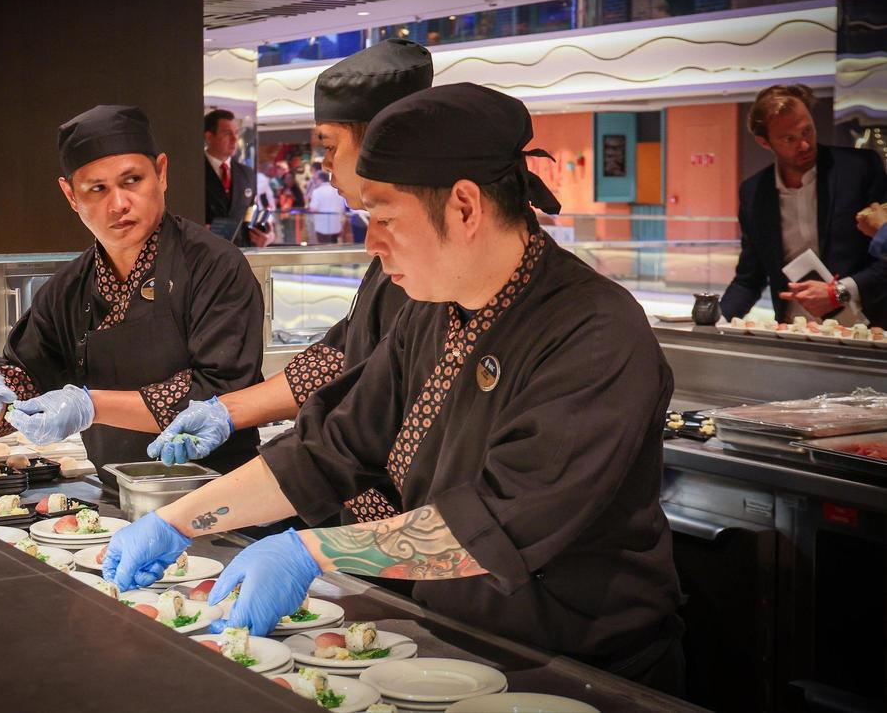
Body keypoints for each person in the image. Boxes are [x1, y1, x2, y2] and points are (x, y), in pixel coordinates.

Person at [104, 84, 684, 693]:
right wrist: (178, 522)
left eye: (383, 218)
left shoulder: (594, 332)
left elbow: (495, 525)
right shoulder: (430, 311)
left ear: (464, 207)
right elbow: (330, 450)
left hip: (581, 668)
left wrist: (314, 554)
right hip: (454, 642)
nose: (371, 245)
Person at [144, 40, 432, 532]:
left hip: (407, 531)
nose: (323, 164)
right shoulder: (395, 261)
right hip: (362, 521)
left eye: (329, 146)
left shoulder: (436, 277)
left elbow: (361, 420)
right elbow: (340, 359)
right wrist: (225, 412)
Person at [0, 105, 265, 485]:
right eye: (97, 189)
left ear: (162, 173)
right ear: (70, 196)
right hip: (117, 498)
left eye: (132, 180)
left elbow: (222, 392)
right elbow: (25, 376)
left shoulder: (215, 265)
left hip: (223, 494)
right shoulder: (67, 288)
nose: (118, 204)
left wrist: (90, 406)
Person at [720, 84, 887, 326]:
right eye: (789, 139)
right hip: (794, 332)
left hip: (862, 330)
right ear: (765, 142)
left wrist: (840, 291)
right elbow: (749, 278)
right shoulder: (754, 192)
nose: (805, 145)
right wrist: (716, 319)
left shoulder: (859, 169)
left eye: (807, 131)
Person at [203, 109, 271, 247]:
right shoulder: (192, 172)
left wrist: (268, 235)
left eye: (236, 133)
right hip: (205, 255)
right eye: (228, 133)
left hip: (241, 254)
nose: (235, 139)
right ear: (209, 137)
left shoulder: (247, 173)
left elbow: (253, 212)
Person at [308, 171, 346, 244]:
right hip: (336, 225)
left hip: (322, 226)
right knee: (334, 245)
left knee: (323, 247)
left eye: (315, 179)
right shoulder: (337, 191)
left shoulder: (317, 191)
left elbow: (313, 209)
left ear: (319, 179)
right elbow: (342, 208)